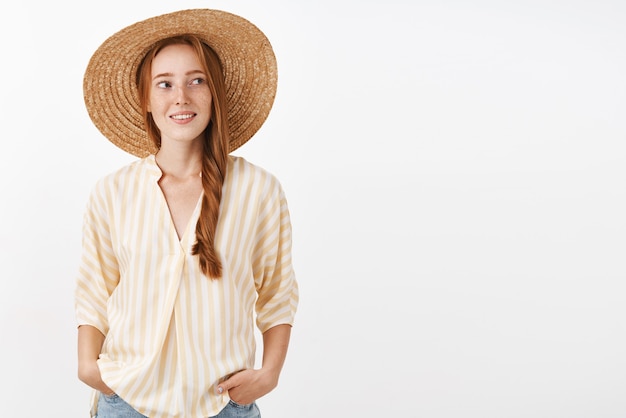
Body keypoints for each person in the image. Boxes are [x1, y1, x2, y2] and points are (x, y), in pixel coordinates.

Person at [75, 9, 299, 418]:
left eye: (197, 80)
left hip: (223, 404)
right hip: (126, 402)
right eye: (165, 84)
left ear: (215, 92)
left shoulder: (258, 190)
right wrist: (89, 367)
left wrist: (269, 374)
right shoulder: (113, 192)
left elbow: (277, 292)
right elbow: (94, 290)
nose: (181, 97)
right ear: (146, 99)